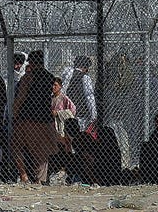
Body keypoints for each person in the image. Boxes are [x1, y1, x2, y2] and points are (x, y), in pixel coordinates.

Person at [12, 49, 58, 184]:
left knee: (16, 145)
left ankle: (24, 175)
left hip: (27, 117)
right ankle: (40, 179)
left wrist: (14, 114)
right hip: (44, 117)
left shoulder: (28, 77)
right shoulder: (50, 77)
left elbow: (21, 97)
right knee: (42, 151)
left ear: (31, 62)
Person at [62, 55, 97, 132]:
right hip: (81, 112)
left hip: (68, 111)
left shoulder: (67, 76)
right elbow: (89, 97)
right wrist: (93, 114)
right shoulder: (85, 78)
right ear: (85, 67)